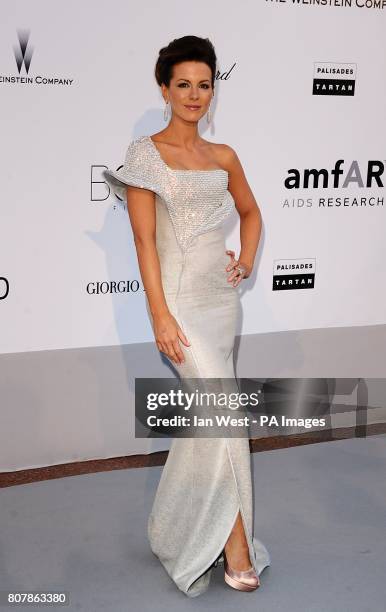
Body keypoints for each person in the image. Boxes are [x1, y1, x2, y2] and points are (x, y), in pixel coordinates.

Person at [104, 35, 270, 598]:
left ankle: (172, 526)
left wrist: (244, 260)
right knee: (225, 416)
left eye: (204, 85)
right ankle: (236, 544)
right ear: (164, 88)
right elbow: (145, 245)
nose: (195, 95)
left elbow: (251, 213)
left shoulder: (223, 156)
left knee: (209, 422)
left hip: (220, 303)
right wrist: (159, 316)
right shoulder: (145, 154)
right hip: (178, 305)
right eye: (183, 85)